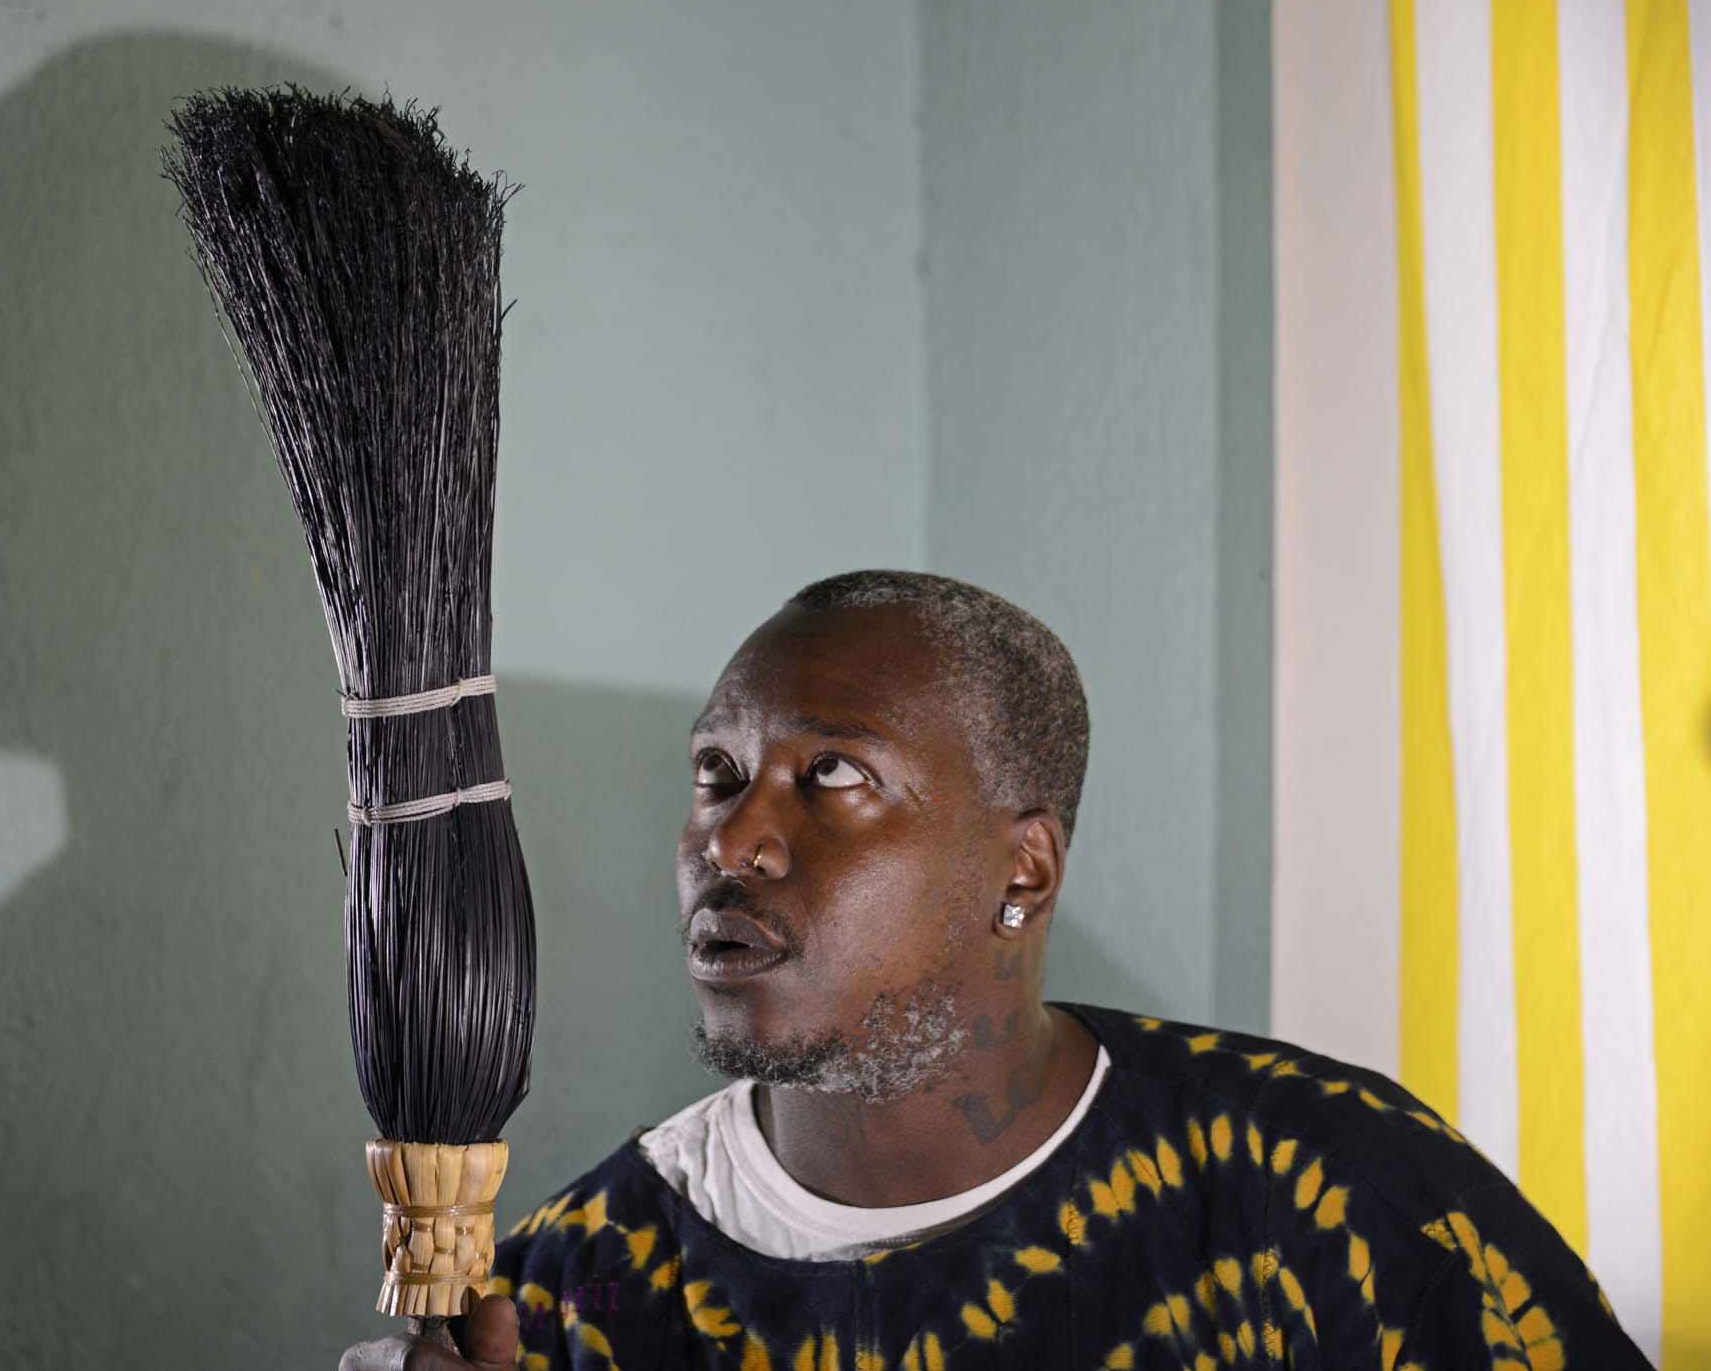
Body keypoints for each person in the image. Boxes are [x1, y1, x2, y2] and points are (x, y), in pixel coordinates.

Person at [339, 570, 1648, 1371]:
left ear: (1023, 871)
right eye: (715, 775)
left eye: (833, 774)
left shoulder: (1338, 1196)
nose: (732, 839)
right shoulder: (572, 1291)